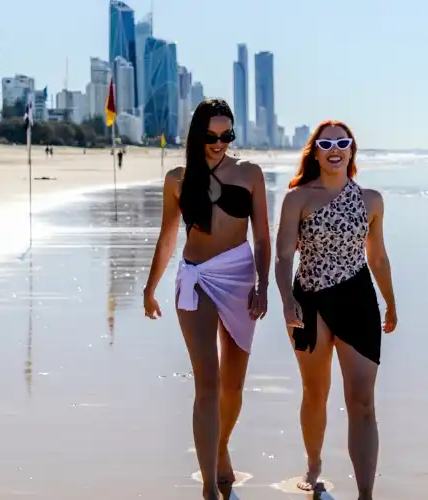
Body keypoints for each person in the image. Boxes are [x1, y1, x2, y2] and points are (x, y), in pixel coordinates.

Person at [143, 98, 271, 500]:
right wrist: (149, 288)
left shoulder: (250, 174)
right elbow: (167, 238)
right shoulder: (178, 179)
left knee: (233, 386)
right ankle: (208, 488)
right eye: (211, 136)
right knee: (209, 383)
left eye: (226, 135)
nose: (219, 143)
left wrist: (263, 285)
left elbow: (263, 237)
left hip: (239, 279)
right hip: (196, 279)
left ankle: (219, 447)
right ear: (197, 135)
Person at [274, 120, 398, 500]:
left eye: (342, 142)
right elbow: (282, 255)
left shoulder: (371, 200)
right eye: (326, 143)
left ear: (351, 151)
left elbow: (376, 257)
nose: (335, 148)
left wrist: (391, 303)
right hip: (308, 301)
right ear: (314, 151)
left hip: (358, 300)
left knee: (362, 400)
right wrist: (285, 300)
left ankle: (365, 494)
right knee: (316, 391)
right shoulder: (298, 198)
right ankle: (313, 466)